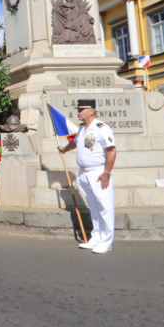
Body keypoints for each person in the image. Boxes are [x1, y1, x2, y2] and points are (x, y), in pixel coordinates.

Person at [57, 99, 117, 254]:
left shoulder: (101, 128)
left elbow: (112, 150)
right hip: (84, 173)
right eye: (78, 109)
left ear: (91, 111)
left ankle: (106, 241)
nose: (78, 112)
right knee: (94, 208)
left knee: (104, 207)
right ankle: (96, 237)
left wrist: (107, 173)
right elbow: (76, 143)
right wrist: (64, 149)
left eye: (81, 110)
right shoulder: (83, 128)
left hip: (98, 173)